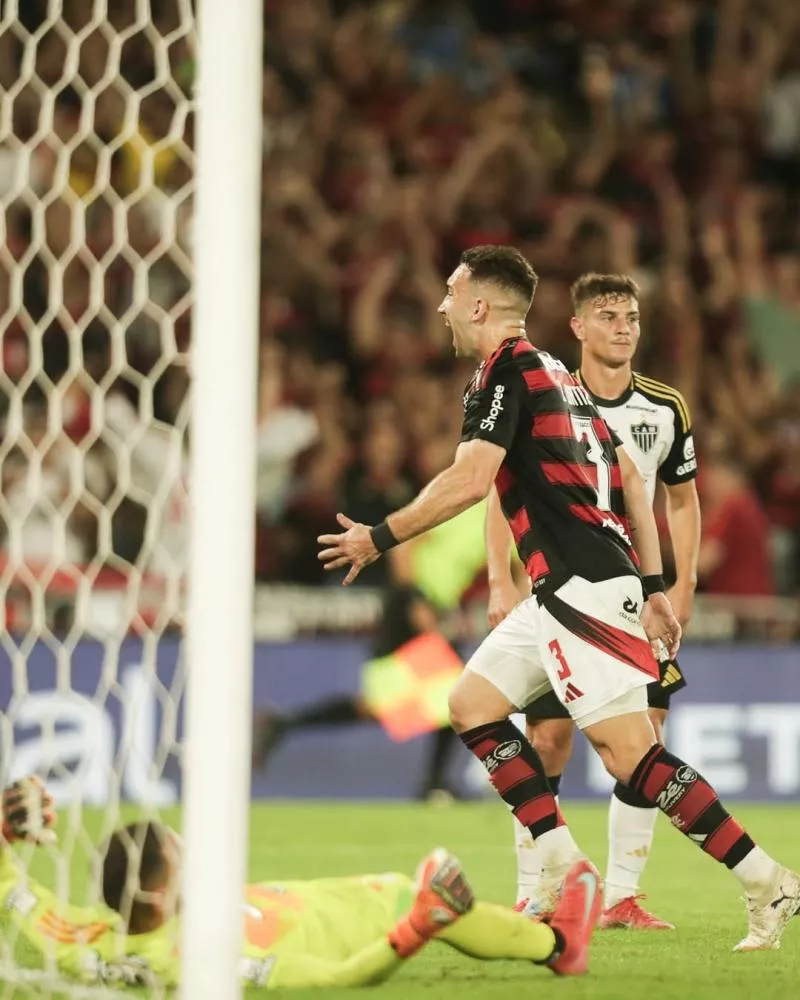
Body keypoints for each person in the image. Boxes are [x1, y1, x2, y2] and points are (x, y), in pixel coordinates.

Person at [318, 244, 800, 952]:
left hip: (584, 587)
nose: (444, 305)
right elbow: (627, 482)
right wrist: (654, 587)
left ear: (481, 304)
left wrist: (378, 537)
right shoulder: (553, 374)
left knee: (633, 758)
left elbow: (471, 479)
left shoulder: (510, 372)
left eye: (452, 293)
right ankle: (561, 865)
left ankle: (768, 881)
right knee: (471, 705)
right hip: (568, 587)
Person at [489, 272, 701, 928]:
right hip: (564, 596)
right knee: (547, 739)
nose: (623, 328)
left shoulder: (665, 409)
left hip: (638, 601)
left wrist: (680, 584)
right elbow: (501, 489)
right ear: (577, 326)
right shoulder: (548, 396)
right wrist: (504, 580)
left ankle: (621, 896)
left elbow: (682, 499)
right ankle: (536, 891)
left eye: (632, 317)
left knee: (648, 741)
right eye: (608, 316)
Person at [0, 776, 601, 987]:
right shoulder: (206, 962)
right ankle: (557, 946)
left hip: (282, 902)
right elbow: (335, 980)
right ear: (158, 893)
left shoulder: (82, 937)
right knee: (406, 888)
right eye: (182, 858)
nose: (195, 857)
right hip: (337, 926)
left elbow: (15, 893)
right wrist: (417, 927)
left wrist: (7, 834)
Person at [252, 584, 463, 801]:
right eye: (422, 610)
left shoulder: (419, 602)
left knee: (446, 710)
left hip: (407, 657)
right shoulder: (410, 591)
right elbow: (408, 597)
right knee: (374, 709)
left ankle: (435, 781)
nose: (427, 615)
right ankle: (435, 783)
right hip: (401, 660)